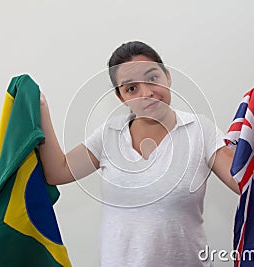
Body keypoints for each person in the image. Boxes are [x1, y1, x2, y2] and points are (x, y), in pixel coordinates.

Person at [39, 41, 240, 267]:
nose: (147, 93)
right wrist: (41, 109)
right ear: (121, 98)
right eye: (131, 88)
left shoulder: (200, 130)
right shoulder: (109, 135)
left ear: (168, 76)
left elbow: (241, 180)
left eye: (153, 78)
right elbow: (59, 171)